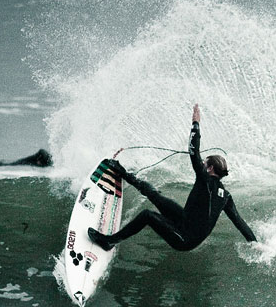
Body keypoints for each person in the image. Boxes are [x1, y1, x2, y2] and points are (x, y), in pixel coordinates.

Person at [88, 104, 257, 252]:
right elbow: (240, 223)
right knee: (156, 196)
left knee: (147, 215)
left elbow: (193, 151)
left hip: (185, 239)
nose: (202, 165)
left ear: (210, 168)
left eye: (205, 164)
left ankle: (109, 241)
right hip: (185, 221)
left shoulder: (205, 179)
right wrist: (256, 244)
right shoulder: (226, 196)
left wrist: (196, 123)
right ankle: (123, 174)